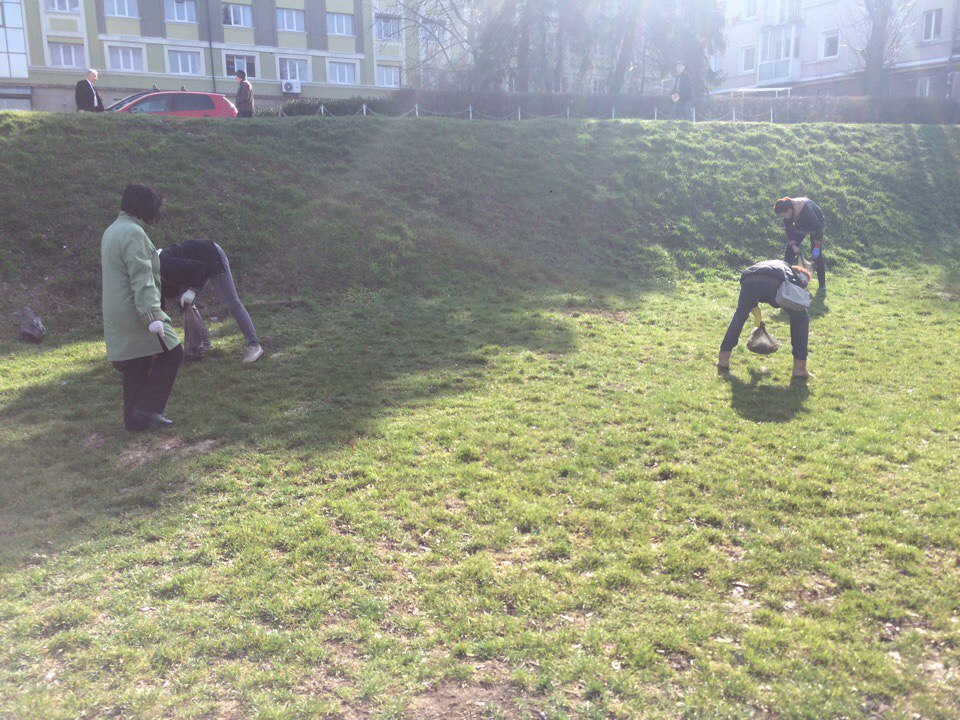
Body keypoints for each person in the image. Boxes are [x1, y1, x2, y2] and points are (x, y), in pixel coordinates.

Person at [101, 184, 183, 431]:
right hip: (137, 309)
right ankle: (150, 406)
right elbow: (142, 277)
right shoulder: (133, 233)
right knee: (173, 352)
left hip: (117, 309)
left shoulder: (113, 230)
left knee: (137, 362)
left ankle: (134, 422)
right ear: (145, 206)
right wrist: (153, 315)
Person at [159, 239, 263, 363]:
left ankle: (254, 345)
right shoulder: (155, 273)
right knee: (183, 303)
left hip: (212, 255)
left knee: (232, 302)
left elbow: (200, 267)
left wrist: (192, 291)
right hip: (199, 263)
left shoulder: (164, 264)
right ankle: (204, 344)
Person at [718, 259, 813, 378]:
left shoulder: (780, 265)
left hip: (749, 279)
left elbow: (755, 296)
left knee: (740, 316)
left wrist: (757, 318)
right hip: (775, 282)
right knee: (801, 319)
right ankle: (800, 368)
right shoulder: (795, 277)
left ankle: (723, 359)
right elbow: (797, 301)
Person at [774, 196, 826, 287]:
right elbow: (789, 230)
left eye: (783, 215)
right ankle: (785, 279)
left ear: (789, 211)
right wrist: (793, 245)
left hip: (817, 225)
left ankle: (822, 285)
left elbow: (819, 229)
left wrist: (817, 246)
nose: (783, 217)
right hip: (801, 223)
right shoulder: (787, 212)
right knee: (789, 250)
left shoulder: (807, 211)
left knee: (816, 255)